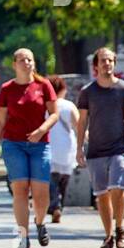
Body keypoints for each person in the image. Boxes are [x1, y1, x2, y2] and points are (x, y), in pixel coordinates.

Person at [0, 47, 59, 248]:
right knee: (20, 189)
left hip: (40, 145)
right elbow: (0, 120)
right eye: (21, 60)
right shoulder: (7, 88)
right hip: (13, 144)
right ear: (14, 64)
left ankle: (39, 222)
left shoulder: (43, 85)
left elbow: (54, 114)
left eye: (29, 59)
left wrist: (41, 129)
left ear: (33, 63)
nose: (26, 62)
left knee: (40, 192)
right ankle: (23, 235)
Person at [76, 47, 124, 248]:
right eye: (103, 61)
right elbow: (82, 121)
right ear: (96, 66)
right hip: (95, 150)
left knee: (118, 188)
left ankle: (121, 228)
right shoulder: (87, 92)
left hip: (118, 148)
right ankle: (108, 235)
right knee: (102, 194)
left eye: (110, 60)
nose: (107, 64)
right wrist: (78, 148)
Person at [46, 75, 79, 223]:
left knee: (51, 180)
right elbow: (79, 126)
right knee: (64, 180)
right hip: (67, 146)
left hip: (49, 145)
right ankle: (60, 206)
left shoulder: (44, 105)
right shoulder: (69, 105)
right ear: (62, 89)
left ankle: (55, 205)